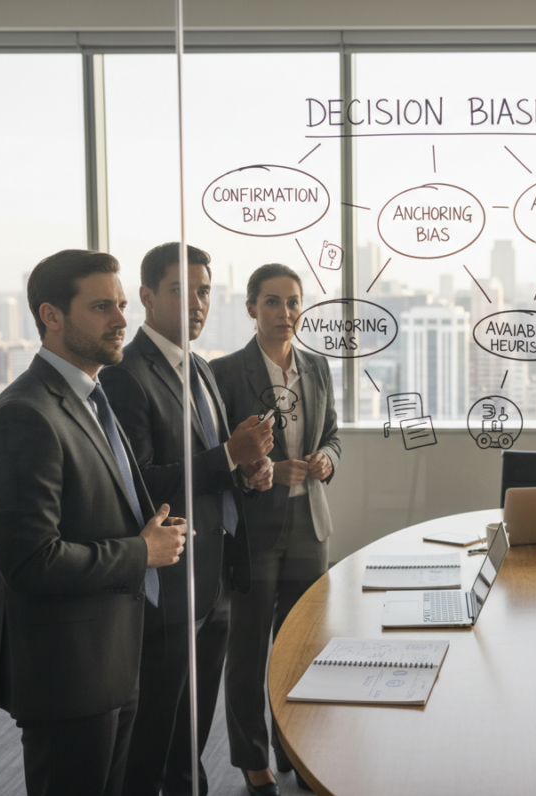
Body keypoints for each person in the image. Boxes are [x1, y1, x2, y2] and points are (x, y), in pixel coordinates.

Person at [0, 250, 188, 796]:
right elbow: (31, 562)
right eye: (101, 307)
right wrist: (142, 552)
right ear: (50, 315)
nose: (121, 319)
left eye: (120, 304)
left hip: (113, 658)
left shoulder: (92, 396)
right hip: (66, 676)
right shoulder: (25, 414)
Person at [100, 243, 274, 796]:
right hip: (171, 583)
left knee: (193, 726)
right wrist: (228, 455)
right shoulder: (127, 374)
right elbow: (142, 482)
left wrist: (248, 469)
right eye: (182, 290)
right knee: (158, 727)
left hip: (215, 575)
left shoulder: (198, 365)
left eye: (204, 291)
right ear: (147, 297)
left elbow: (213, 462)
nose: (197, 303)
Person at [211, 263, 341, 796]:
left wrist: (326, 462)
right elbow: (215, 458)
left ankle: (294, 745)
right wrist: (257, 472)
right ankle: (252, 760)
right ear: (250, 309)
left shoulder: (317, 367)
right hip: (253, 532)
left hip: (310, 527)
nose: (284, 313)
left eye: (292, 302)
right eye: (271, 302)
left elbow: (332, 434)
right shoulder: (223, 374)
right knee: (247, 651)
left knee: (303, 648)